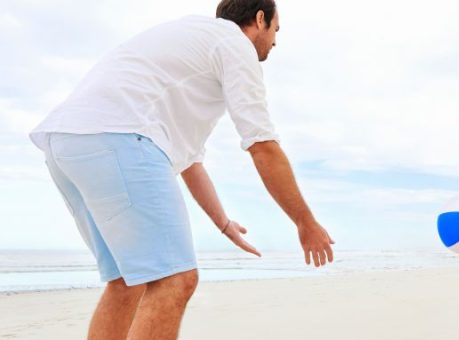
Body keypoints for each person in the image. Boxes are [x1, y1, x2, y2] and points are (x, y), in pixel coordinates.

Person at [28, 0, 334, 339]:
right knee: (175, 278)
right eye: (276, 30)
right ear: (260, 19)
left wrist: (223, 223)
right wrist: (305, 222)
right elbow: (262, 144)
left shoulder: (193, 45)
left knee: (126, 282)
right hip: (119, 136)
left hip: (67, 143)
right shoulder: (234, 44)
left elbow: (191, 162)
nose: (276, 41)